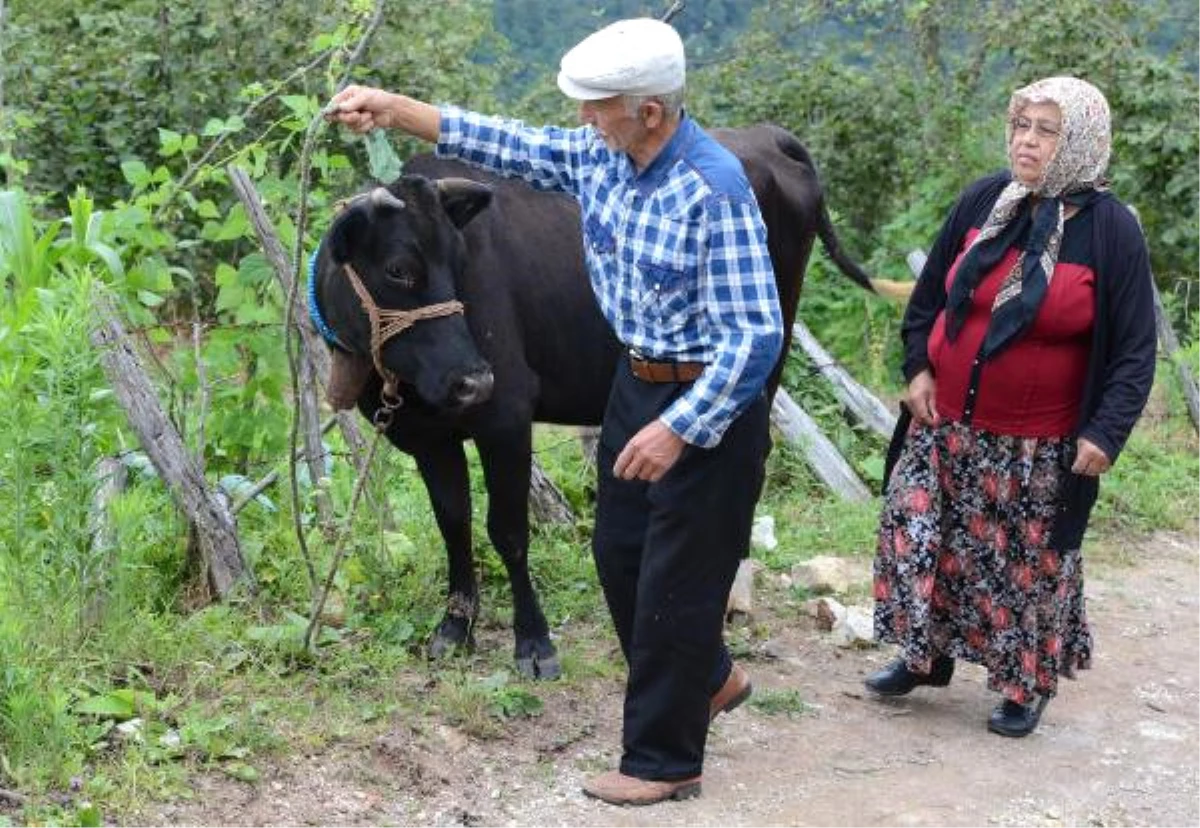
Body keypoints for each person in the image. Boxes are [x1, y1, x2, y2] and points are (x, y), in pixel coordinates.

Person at [326, 18, 782, 804]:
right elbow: (502, 142)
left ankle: (662, 762)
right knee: (619, 551)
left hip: (707, 396)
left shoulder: (715, 190)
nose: (583, 120)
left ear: (649, 110)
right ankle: (706, 676)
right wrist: (392, 109)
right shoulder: (602, 157)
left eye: (598, 106)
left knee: (674, 568)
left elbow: (756, 336)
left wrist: (680, 427)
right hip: (637, 382)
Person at [865, 76, 1156, 737]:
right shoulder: (986, 200)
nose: (1026, 140)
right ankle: (924, 654)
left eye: (1046, 130)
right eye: (1021, 124)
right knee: (921, 540)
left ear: (1081, 142)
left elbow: (1136, 350)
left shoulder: (1112, 232)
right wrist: (916, 368)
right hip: (944, 430)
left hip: (1037, 446)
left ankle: (1027, 683)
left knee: (1026, 568)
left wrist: (1106, 432)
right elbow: (930, 298)